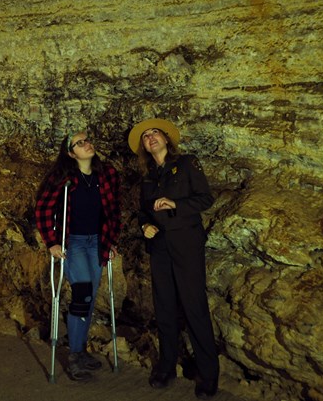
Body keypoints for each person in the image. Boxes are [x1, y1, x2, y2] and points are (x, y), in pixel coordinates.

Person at [128, 118, 219, 399]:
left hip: (187, 243)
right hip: (160, 246)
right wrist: (145, 226)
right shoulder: (147, 176)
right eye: (145, 136)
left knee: (194, 307)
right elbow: (143, 211)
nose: (150, 137)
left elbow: (206, 199)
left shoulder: (188, 163)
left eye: (155, 132)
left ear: (167, 139)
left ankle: (208, 373)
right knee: (164, 306)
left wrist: (176, 204)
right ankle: (167, 366)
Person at [35, 131, 121, 382]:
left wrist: (111, 240)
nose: (86, 144)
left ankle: (80, 350)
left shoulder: (108, 174)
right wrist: (51, 241)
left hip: (98, 241)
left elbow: (114, 210)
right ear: (71, 153)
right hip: (73, 242)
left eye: (87, 140)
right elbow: (43, 208)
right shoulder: (62, 178)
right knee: (82, 291)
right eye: (79, 143)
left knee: (90, 296)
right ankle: (74, 355)